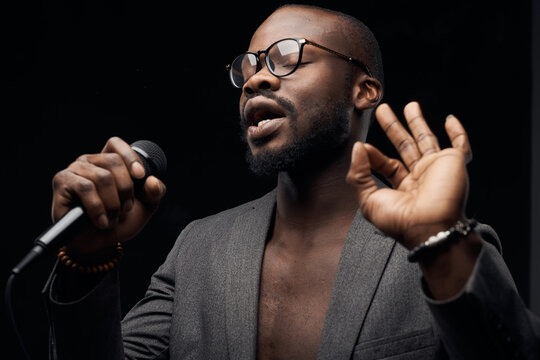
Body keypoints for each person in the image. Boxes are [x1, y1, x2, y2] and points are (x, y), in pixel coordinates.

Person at [45, 4, 540, 359]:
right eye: (250, 66)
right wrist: (87, 258)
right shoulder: (200, 249)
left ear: (362, 88)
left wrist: (440, 243)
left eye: (286, 55)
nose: (257, 79)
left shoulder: (444, 245)